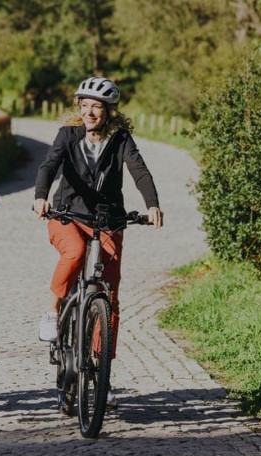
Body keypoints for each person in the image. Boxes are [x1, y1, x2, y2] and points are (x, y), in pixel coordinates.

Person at [33, 77, 163, 400]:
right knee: (74, 252)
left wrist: (152, 204)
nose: (90, 112)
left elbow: (139, 171)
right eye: (85, 105)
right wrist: (40, 196)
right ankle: (53, 311)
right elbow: (49, 166)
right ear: (79, 107)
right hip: (68, 216)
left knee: (111, 293)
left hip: (107, 221)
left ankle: (100, 365)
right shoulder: (68, 135)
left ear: (108, 111)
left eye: (97, 107)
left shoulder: (120, 140)